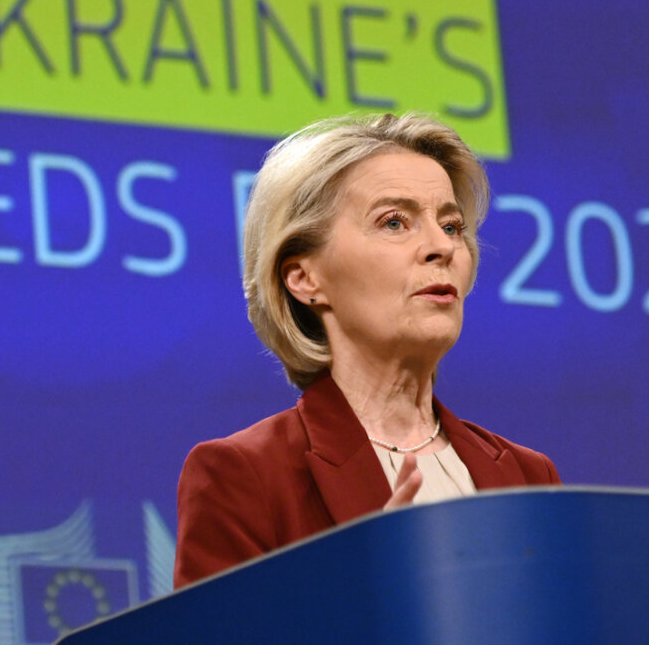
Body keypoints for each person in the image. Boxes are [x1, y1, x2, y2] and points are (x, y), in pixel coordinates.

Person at [173, 113, 560, 588]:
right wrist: (364, 590)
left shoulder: (528, 476)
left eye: (451, 226)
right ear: (305, 278)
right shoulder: (245, 476)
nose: (441, 247)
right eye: (394, 222)